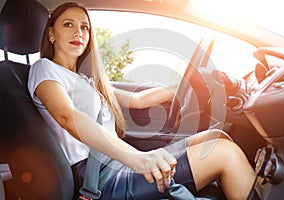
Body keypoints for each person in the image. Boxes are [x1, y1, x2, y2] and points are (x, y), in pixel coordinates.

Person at [27, 2, 255, 199]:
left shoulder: (86, 80)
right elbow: (68, 117)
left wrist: (189, 84)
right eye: (69, 24)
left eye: (84, 27)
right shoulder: (44, 69)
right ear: (51, 34)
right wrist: (136, 157)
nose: (79, 32)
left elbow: (139, 100)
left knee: (216, 137)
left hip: (114, 164)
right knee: (224, 153)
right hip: (98, 178)